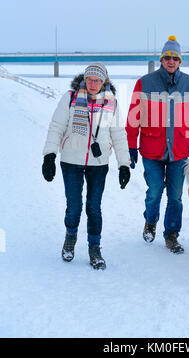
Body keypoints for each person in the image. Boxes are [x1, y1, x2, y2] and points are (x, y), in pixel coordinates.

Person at [126, 36, 189, 254]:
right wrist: (131, 146)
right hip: (151, 149)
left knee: (176, 197)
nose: (171, 61)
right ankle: (150, 221)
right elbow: (133, 118)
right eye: (167, 57)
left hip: (179, 150)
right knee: (154, 191)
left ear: (180, 61)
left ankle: (171, 235)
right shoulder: (144, 83)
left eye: (175, 58)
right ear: (161, 60)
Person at [42, 63, 130, 270]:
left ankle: (94, 248)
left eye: (97, 81)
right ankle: (70, 238)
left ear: (104, 82)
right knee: (74, 206)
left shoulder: (112, 102)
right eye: (90, 80)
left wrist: (124, 164)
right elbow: (57, 127)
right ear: (85, 79)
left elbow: (118, 134)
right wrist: (49, 156)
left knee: (94, 207)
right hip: (71, 160)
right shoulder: (71, 98)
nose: (93, 84)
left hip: (98, 164)